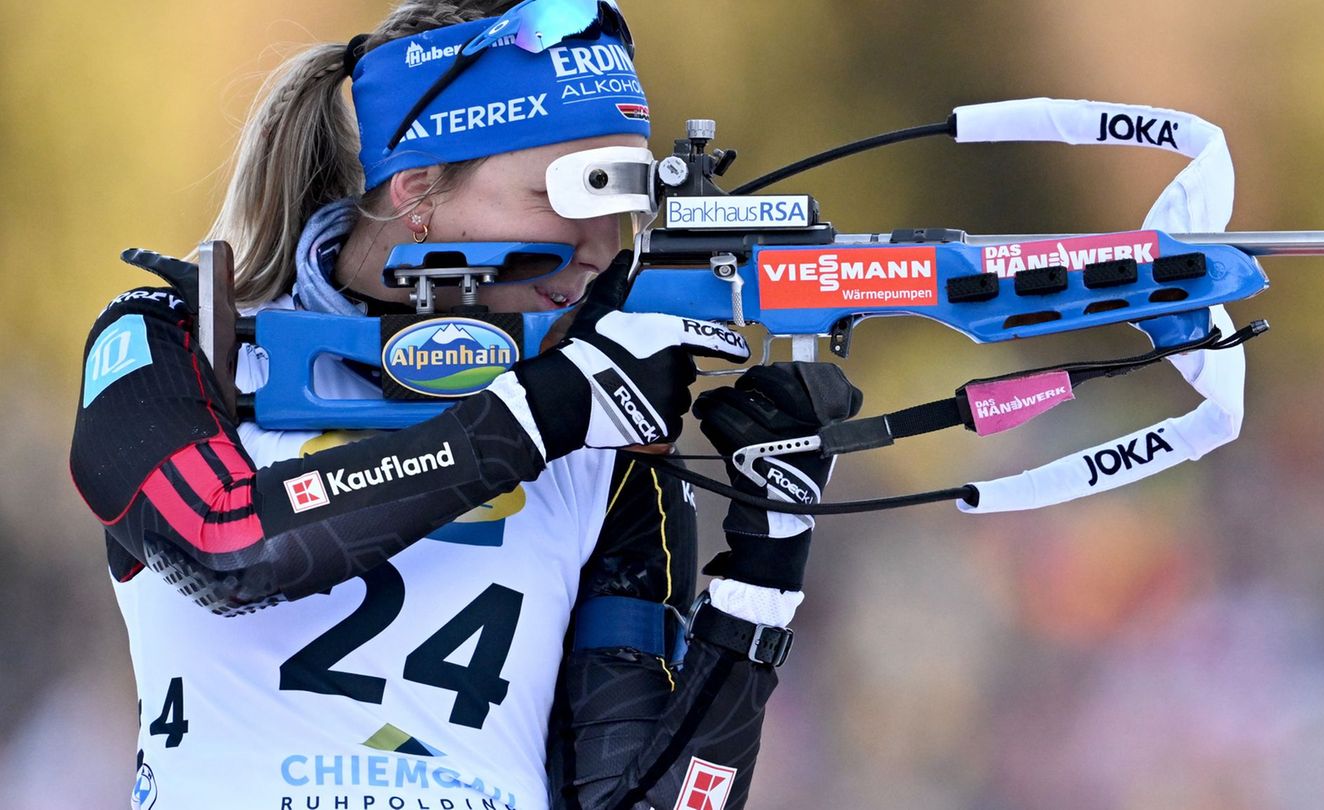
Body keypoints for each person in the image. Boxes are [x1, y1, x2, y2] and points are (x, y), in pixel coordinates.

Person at [69, 2, 861, 809]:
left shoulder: (600, 431)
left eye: (625, 200)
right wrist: (543, 410)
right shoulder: (179, 339)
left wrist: (765, 568)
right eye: (576, 190)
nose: (604, 247)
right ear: (417, 188)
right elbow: (225, 542)